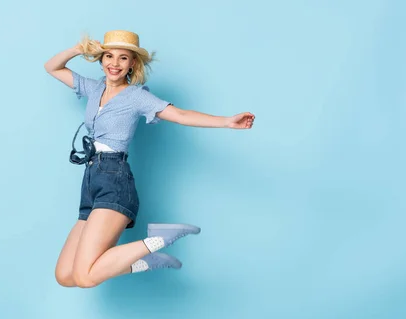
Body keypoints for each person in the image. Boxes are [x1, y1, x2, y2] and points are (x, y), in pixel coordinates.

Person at [44, 30, 255, 288]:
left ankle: (158, 239)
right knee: (66, 276)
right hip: (90, 182)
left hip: (114, 181)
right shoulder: (94, 87)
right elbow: (52, 67)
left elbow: (181, 115)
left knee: (85, 277)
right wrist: (79, 49)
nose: (114, 63)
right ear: (100, 59)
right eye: (109, 56)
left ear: (133, 63)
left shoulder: (136, 96)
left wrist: (226, 122)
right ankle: (146, 261)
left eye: (123, 58)